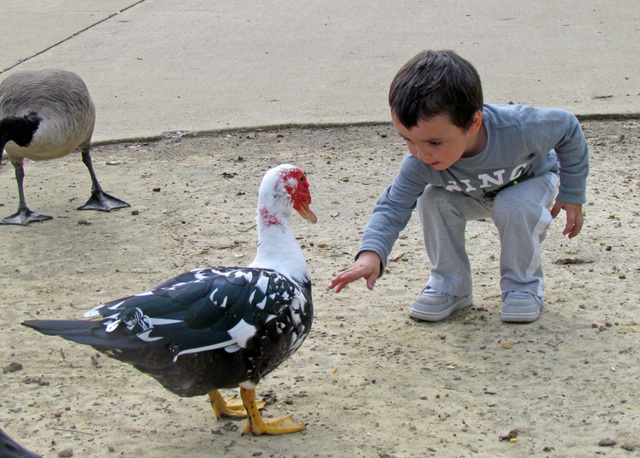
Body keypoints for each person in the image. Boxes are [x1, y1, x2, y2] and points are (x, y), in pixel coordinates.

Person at [329, 50, 588, 323]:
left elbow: (568, 128)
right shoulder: (420, 162)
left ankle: (523, 286)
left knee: (513, 205)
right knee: (432, 199)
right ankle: (451, 286)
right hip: (473, 193)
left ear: (473, 123)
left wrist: (572, 193)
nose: (421, 153)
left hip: (529, 181)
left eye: (434, 142)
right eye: (408, 139)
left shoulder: (520, 128)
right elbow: (393, 206)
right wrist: (371, 256)